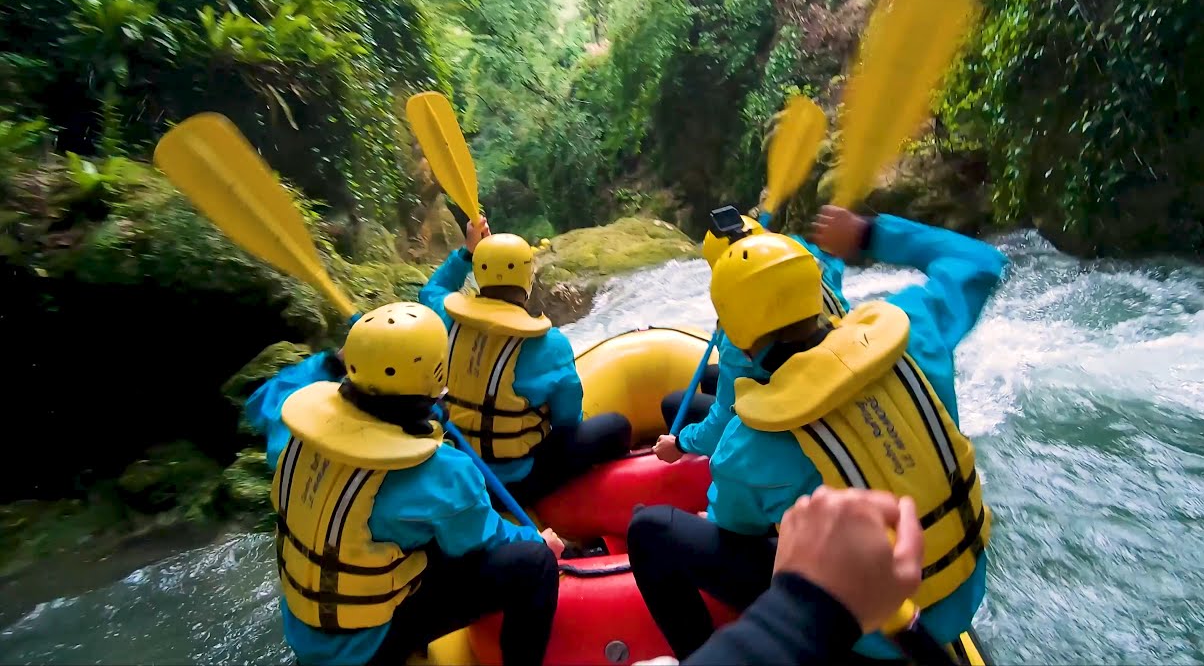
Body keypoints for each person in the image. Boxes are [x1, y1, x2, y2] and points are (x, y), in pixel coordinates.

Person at [629, 206, 1008, 661]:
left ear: (737, 340)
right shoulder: (915, 330)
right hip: (966, 581)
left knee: (648, 529)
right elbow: (980, 262)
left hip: (867, 634)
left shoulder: (747, 444)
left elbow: (733, 528)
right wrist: (869, 234)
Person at [243, 302, 563, 666]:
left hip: (306, 633)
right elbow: (487, 538)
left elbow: (261, 400)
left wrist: (332, 362)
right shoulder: (440, 472)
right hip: (369, 648)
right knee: (535, 562)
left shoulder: (293, 434)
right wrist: (538, 540)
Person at [418, 217, 632, 506]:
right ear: (528, 280)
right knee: (616, 426)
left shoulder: (444, 319)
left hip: (459, 472)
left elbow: (431, 290)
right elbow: (568, 421)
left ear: (478, 275)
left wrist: (468, 251)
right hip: (517, 483)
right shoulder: (550, 345)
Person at [634, 487, 927, 666]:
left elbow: (735, 522)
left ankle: (695, 649)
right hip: (929, 615)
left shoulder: (748, 441)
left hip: (862, 628)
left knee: (648, 528)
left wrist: (796, 608)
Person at [653, 207, 850, 463]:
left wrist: (680, 443)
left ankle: (706, 465)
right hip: (819, 382)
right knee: (711, 375)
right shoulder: (812, 273)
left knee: (674, 403)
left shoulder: (739, 339)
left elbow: (724, 421)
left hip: (784, 419)